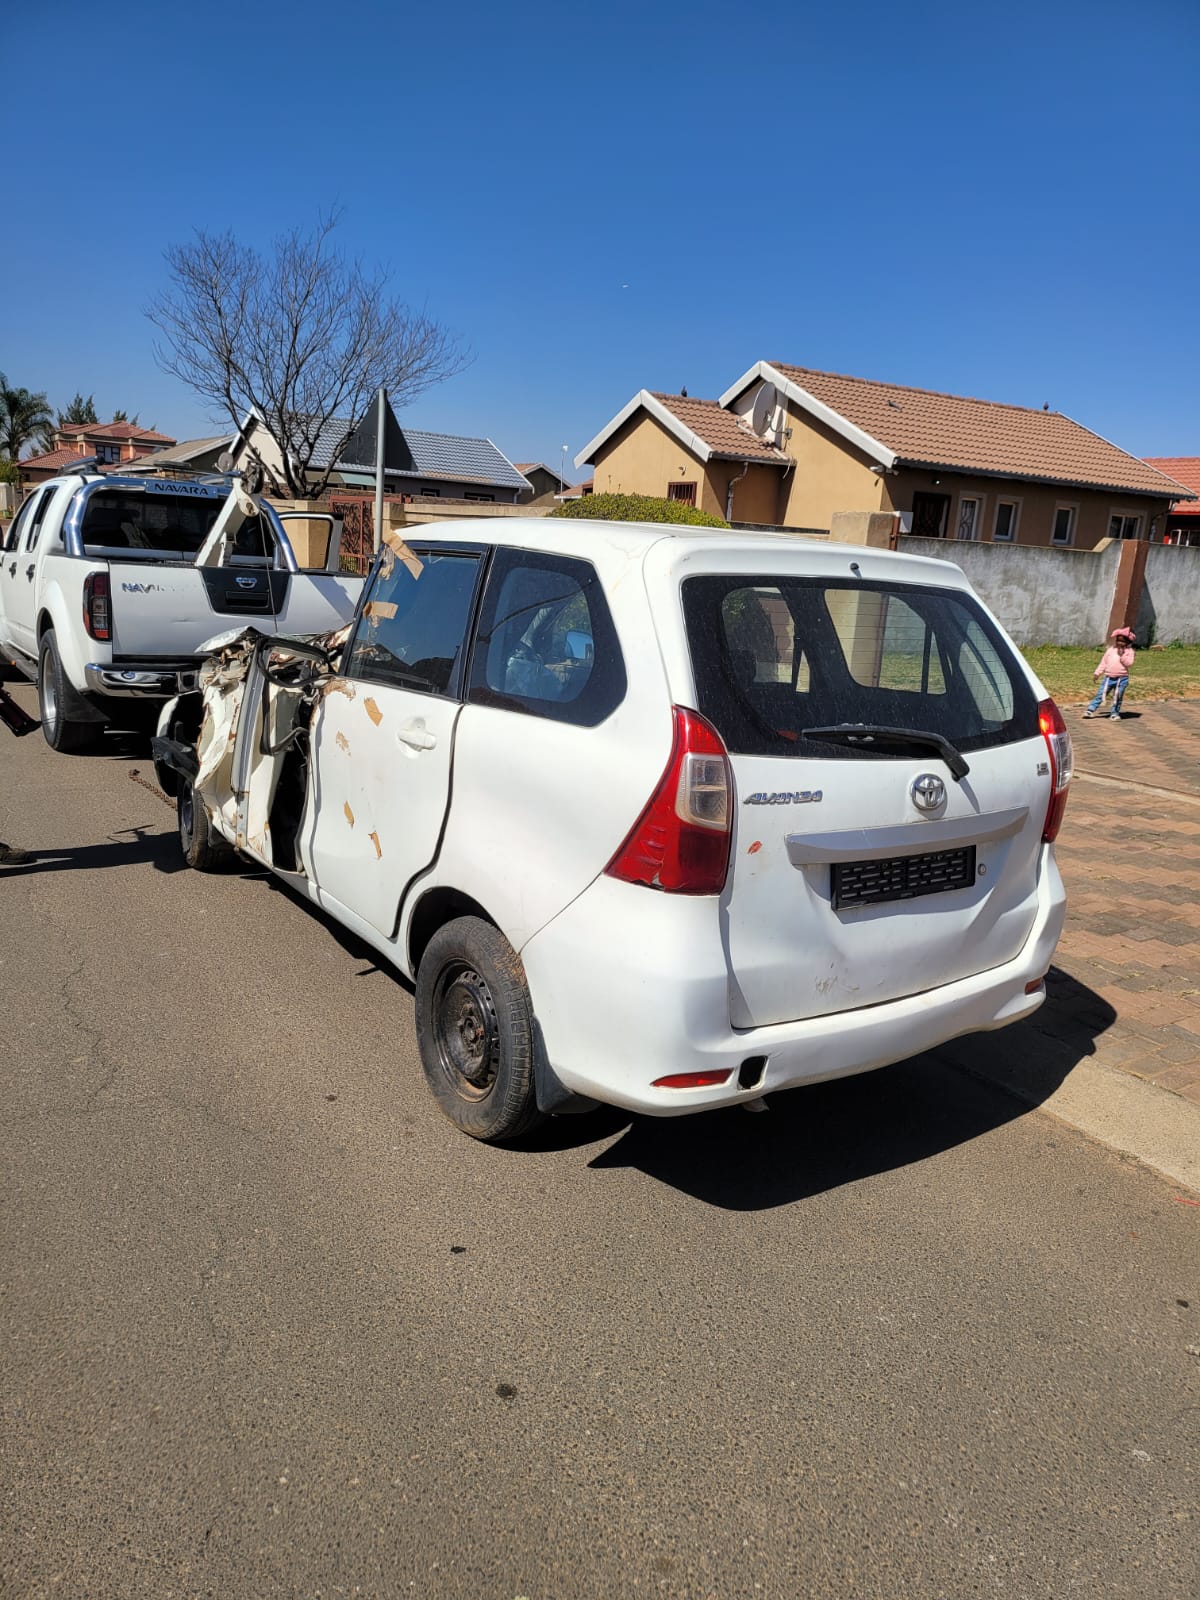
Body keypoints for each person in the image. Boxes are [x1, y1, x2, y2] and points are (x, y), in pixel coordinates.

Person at [1082, 627, 1136, 720]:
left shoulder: (1129, 652)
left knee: (1117, 696)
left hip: (1122, 679)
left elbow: (1129, 663)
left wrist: (1122, 655)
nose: (1120, 643)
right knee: (1100, 694)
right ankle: (1090, 710)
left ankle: (1114, 713)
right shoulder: (1111, 650)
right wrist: (1097, 673)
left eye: (1123, 642)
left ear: (1128, 642)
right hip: (1108, 678)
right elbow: (1104, 662)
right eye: (1118, 640)